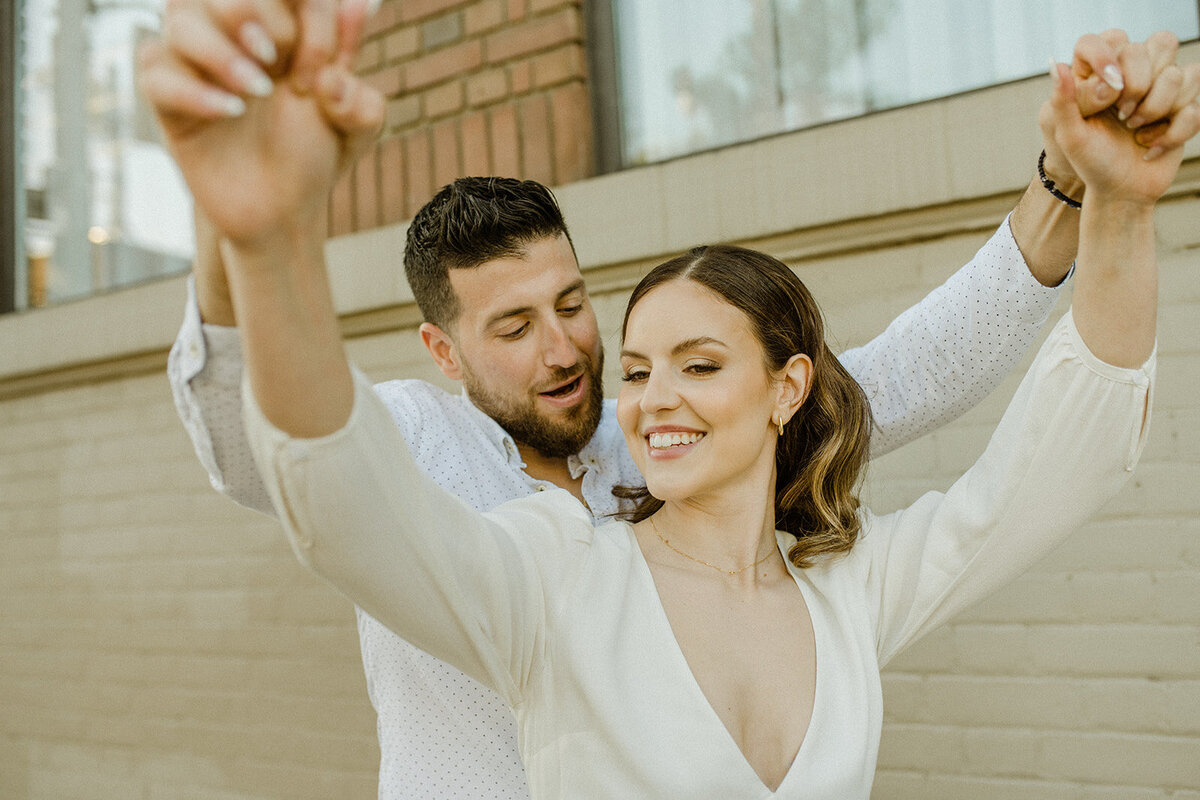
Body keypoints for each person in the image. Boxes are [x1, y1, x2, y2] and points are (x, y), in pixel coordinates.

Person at [138, 0, 1200, 795]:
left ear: (786, 391)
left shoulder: (817, 566)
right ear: (442, 350)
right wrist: (261, 244)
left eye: (574, 306)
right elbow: (300, 463)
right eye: (514, 327)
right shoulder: (513, 531)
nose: (573, 355)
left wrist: (1092, 192)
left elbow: (953, 392)